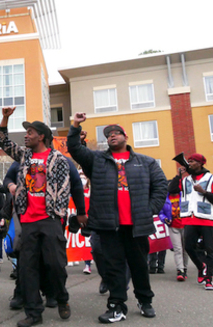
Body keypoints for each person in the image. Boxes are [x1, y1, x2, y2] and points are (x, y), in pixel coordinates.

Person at [67, 113, 167, 323]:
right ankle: (116, 305)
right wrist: (75, 125)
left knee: (139, 265)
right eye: (108, 135)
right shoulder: (97, 160)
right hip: (108, 225)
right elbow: (75, 149)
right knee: (114, 268)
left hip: (137, 225)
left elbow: (160, 186)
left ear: (125, 137)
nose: (112, 136)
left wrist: (149, 209)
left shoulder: (146, 162)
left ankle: (144, 300)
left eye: (116, 133)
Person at [0, 106, 74, 327]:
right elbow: (3, 141)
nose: (26, 135)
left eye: (30, 132)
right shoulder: (25, 156)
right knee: (27, 268)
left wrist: (58, 214)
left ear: (41, 136)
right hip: (28, 221)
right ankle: (34, 313)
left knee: (55, 265)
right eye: (26, 132)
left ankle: (61, 298)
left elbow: (65, 188)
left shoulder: (58, 159)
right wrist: (4, 118)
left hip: (50, 220)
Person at [168, 154, 213, 290]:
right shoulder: (186, 180)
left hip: (206, 219)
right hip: (189, 219)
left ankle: (209, 279)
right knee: (188, 247)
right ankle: (201, 267)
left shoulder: (211, 179)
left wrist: (204, 192)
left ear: (200, 163)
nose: (189, 164)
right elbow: (171, 190)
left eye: (192, 162)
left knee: (209, 250)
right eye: (189, 161)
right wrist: (178, 176)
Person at [158, 191, 188, 281]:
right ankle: (180, 270)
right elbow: (161, 212)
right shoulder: (165, 199)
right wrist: (164, 219)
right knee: (177, 249)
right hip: (173, 227)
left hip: (185, 226)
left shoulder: (184, 196)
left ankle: (185, 268)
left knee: (185, 249)